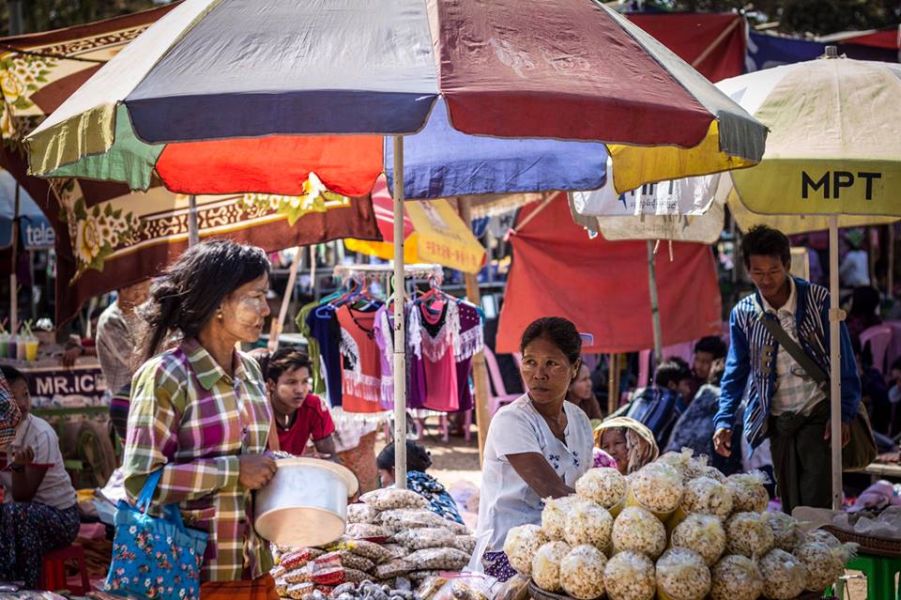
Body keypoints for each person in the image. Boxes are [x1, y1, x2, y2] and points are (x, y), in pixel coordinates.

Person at [122, 240, 278, 593]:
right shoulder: (166, 375)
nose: (265, 309)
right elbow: (139, 482)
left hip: (254, 567)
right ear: (220, 302)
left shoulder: (251, 372)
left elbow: (257, 458)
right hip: (191, 574)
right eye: (255, 296)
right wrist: (234, 471)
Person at [714, 225, 861, 514]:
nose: (766, 280)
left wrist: (842, 413)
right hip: (779, 422)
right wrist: (724, 420)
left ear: (787, 265)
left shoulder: (820, 301)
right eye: (758, 272)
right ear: (746, 268)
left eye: (774, 271)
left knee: (818, 504)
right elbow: (735, 372)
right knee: (791, 504)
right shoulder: (743, 315)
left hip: (819, 416)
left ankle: (822, 556)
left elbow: (845, 361)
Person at [477, 317, 594, 582]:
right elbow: (553, 492)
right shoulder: (511, 420)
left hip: (559, 547)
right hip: (507, 553)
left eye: (551, 363)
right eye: (530, 362)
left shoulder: (580, 421)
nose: (538, 374)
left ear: (574, 367)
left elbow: (583, 488)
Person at [0, 366, 79, 589]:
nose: (23, 405)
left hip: (60, 518)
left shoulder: (40, 434)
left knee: (19, 513)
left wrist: (17, 467)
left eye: (25, 394)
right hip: (16, 516)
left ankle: (30, 588)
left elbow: (24, 496)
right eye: (14, 399)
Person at [95, 280, 152, 441]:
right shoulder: (110, 320)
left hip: (146, 393)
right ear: (123, 289)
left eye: (146, 292)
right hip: (127, 399)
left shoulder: (141, 313)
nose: (143, 296)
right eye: (138, 292)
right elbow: (135, 360)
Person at [258, 347, 337, 459]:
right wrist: (300, 461)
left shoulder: (314, 406)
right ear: (271, 385)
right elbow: (252, 461)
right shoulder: (258, 410)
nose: (300, 390)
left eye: (305, 381)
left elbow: (330, 458)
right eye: (291, 382)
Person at [376, 441, 463, 525]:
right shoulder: (436, 488)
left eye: (381, 474)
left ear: (395, 470)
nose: (381, 481)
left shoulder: (395, 494)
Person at [622, 359, 692, 446]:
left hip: (624, 446)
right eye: (686, 384)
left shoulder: (642, 393)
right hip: (646, 452)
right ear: (672, 385)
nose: (688, 390)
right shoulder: (674, 401)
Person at [594, 416, 659, 475]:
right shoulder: (598, 482)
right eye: (605, 446)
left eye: (617, 443)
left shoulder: (650, 480)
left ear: (635, 445)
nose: (612, 451)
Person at [687, 336, 728, 401]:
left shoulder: (726, 387)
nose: (699, 366)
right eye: (697, 359)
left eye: (705, 362)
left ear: (719, 363)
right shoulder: (689, 385)